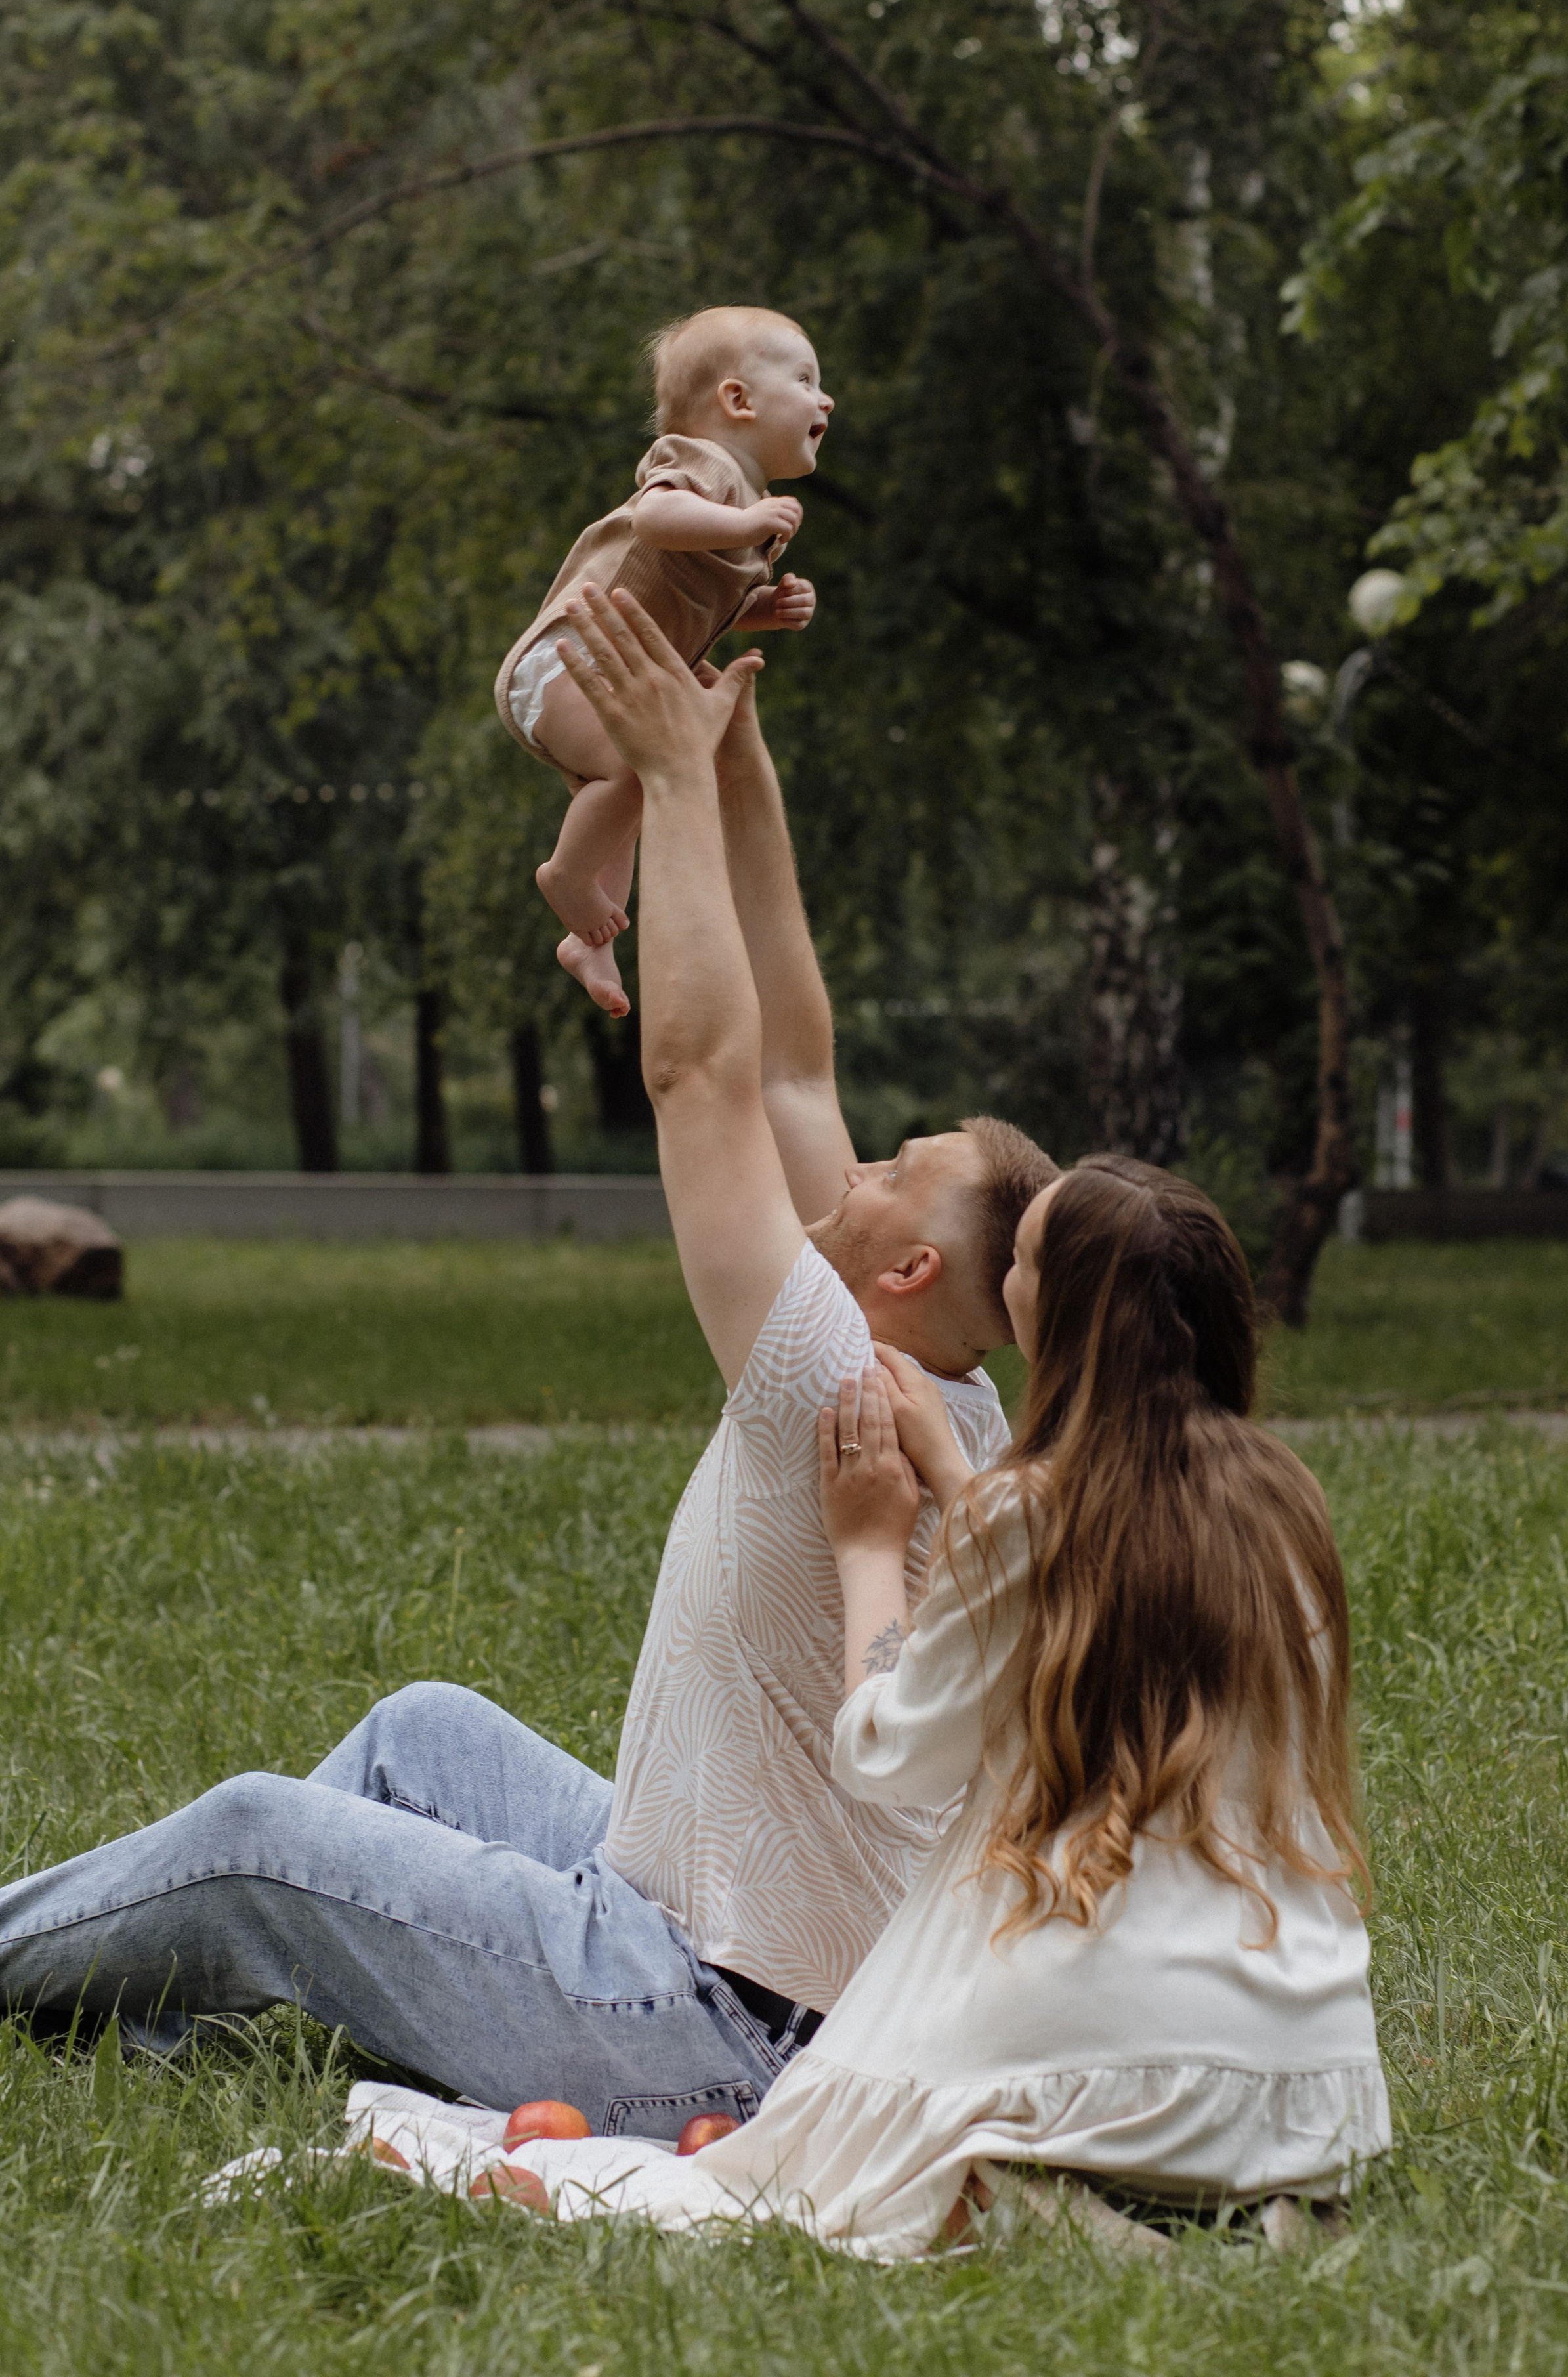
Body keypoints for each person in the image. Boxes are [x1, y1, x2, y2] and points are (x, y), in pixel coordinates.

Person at [0, 582, 1055, 2140]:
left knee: (250, 1837)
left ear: (907, 1265)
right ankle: (174, 2016)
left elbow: (701, 1065)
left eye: (902, 1157)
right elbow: (788, 1049)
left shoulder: (829, 1367)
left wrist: (679, 783)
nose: (867, 1145)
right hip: (717, 1935)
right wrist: (725, 738)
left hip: (713, 2022)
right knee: (424, 1729)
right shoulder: (926, 1359)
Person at [332, 1157, 1389, 2259]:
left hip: (1115, 2069)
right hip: (1307, 2094)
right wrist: (948, 1462)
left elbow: (890, 1753)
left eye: (1023, 1262)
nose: (1007, 1282)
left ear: (1061, 1317)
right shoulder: (1282, 1504)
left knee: (797, 2170)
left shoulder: (1036, 1517)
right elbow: (1086, 1588)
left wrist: (871, 1545)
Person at [495, 305, 830, 1016]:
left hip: (607, 669)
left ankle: (590, 936)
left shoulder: (748, 504)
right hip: (571, 658)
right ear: (737, 401)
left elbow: (695, 597)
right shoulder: (700, 462)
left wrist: (760, 609)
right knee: (648, 764)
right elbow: (654, 521)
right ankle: (568, 875)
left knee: (635, 793)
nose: (824, 399)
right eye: (805, 379)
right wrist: (745, 525)